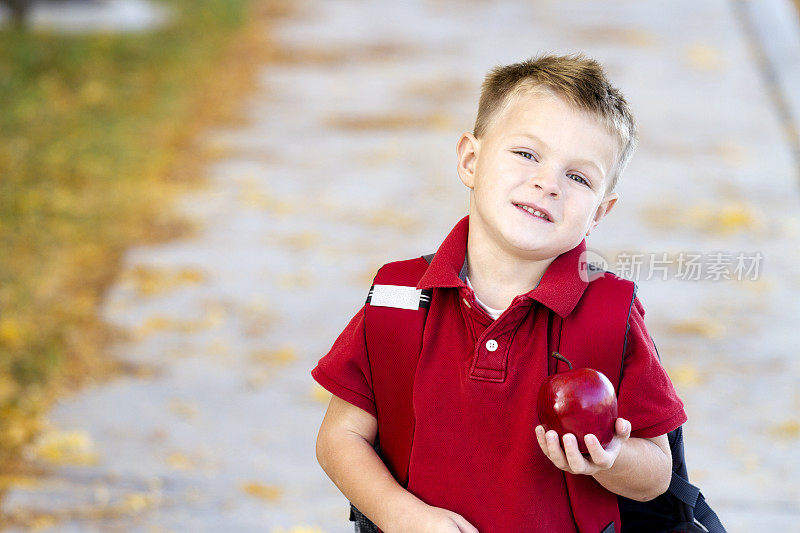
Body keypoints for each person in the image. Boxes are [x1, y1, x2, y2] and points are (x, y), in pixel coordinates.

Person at [312, 53, 687, 533]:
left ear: (599, 212)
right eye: (527, 154)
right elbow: (339, 436)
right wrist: (399, 514)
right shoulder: (401, 298)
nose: (546, 183)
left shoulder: (609, 315)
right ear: (470, 160)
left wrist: (608, 457)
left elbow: (658, 471)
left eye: (578, 177)